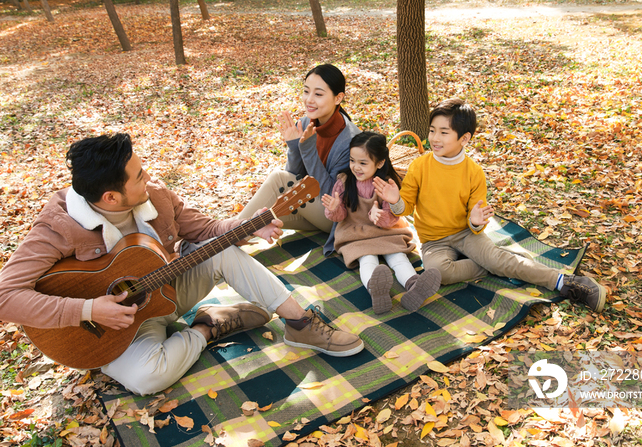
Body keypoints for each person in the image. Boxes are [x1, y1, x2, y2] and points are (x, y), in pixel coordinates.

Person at [0, 133, 364, 396]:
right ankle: (209, 328)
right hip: (109, 330)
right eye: (138, 176)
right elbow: (5, 296)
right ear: (110, 196)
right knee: (147, 380)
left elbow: (206, 231)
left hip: (169, 291)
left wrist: (249, 226)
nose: (148, 177)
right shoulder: (58, 227)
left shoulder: (156, 196)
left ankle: (299, 323)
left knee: (221, 250)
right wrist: (90, 308)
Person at [373, 99, 606, 312]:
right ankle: (488, 265)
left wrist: (474, 222)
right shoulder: (419, 166)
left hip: (465, 234)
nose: (434, 138)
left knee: (500, 259)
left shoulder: (473, 172)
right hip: (434, 240)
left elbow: (477, 224)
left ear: (464, 138)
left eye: (444, 132)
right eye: (432, 130)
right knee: (439, 273)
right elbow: (407, 208)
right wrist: (396, 201)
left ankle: (565, 282)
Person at [239, 64, 361, 256]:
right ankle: (227, 239)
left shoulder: (351, 141)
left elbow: (330, 194)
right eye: (306, 91)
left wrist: (307, 150)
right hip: (311, 209)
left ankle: (225, 235)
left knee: (278, 179)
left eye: (318, 94)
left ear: (338, 98)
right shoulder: (306, 123)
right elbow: (294, 177)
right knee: (261, 216)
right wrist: (295, 148)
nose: (309, 100)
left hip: (337, 217)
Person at [322, 132, 441, 314]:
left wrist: (381, 216)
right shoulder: (344, 182)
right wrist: (335, 208)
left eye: (363, 163)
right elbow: (340, 217)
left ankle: (415, 286)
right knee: (367, 259)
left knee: (398, 257)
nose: (356, 167)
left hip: (386, 232)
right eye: (352, 160)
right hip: (356, 234)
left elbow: (392, 217)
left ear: (379, 163)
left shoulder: (387, 185)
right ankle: (375, 289)